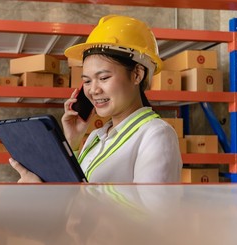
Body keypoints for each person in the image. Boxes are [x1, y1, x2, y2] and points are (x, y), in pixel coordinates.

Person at [9, 14, 182, 183]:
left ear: (137, 75)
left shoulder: (156, 134)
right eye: (87, 81)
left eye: (104, 78)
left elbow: (154, 210)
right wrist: (72, 142)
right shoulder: (95, 137)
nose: (93, 90)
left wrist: (47, 193)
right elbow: (76, 188)